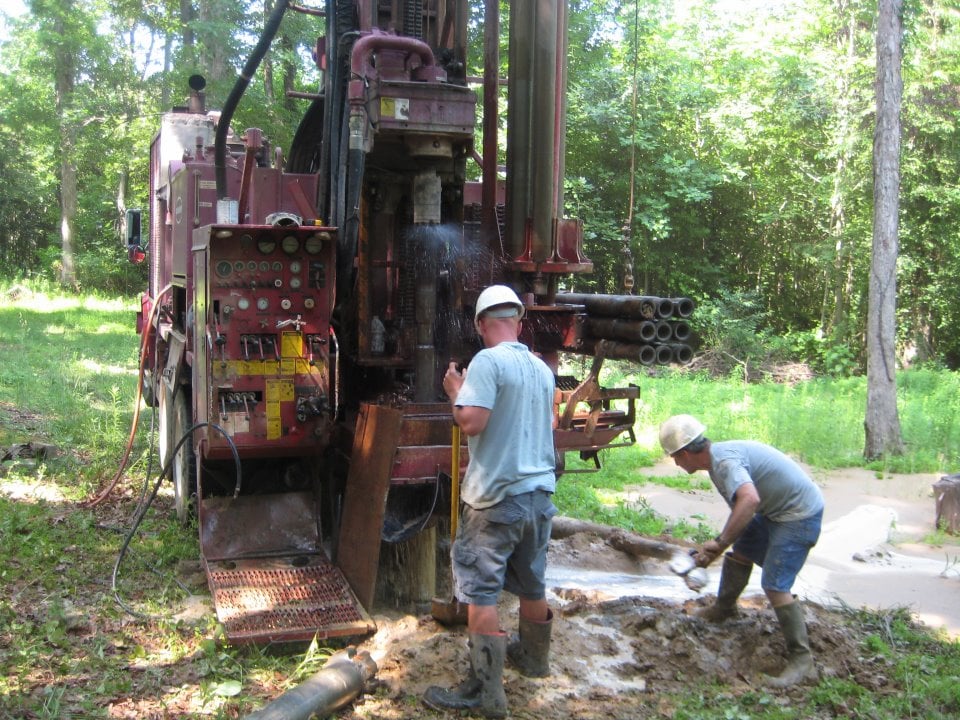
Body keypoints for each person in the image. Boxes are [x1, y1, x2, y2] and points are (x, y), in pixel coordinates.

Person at [423, 285, 558, 718]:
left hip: (496, 499)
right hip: (539, 496)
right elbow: (548, 423)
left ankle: (485, 694)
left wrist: (455, 392)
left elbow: (472, 422)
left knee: (481, 593)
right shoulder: (541, 369)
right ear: (518, 322)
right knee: (532, 583)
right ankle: (534, 660)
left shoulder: (487, 361)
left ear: (481, 324)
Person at [659, 414, 824, 687]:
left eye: (675, 457)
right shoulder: (717, 461)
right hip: (775, 510)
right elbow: (743, 511)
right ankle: (724, 608)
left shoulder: (724, 463)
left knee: (775, 585)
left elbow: (749, 499)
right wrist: (715, 548)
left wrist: (719, 543)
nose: (676, 463)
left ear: (685, 453)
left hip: (798, 515)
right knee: (744, 544)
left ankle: (803, 662)